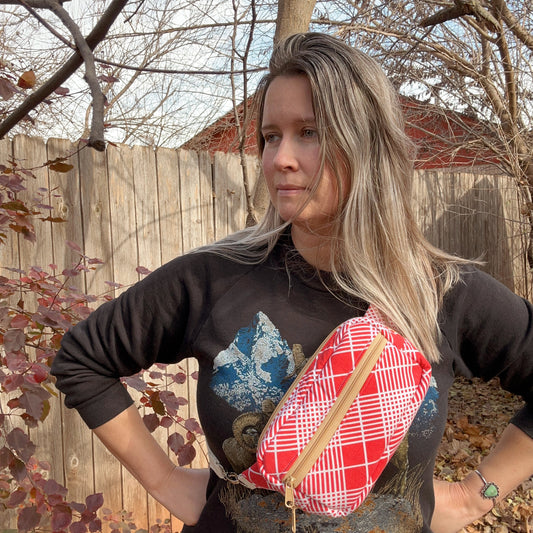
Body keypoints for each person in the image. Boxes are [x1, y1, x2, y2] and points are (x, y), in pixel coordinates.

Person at [50, 32, 533, 533]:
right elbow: (83, 360)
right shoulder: (213, 279)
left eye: (309, 132)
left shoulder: (442, 293)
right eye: (271, 136)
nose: (280, 158)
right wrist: (166, 481)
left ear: (369, 146)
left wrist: (478, 495)